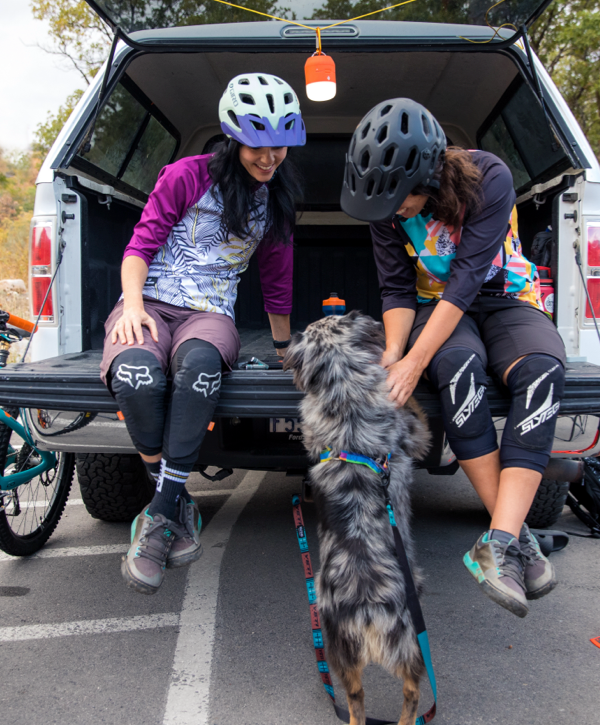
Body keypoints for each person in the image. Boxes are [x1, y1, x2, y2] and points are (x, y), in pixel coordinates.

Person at [340, 97, 566, 618]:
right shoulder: (386, 210)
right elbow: (396, 290)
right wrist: (395, 355)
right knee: (460, 370)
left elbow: (465, 284)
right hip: (434, 308)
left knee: (541, 372)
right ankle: (515, 541)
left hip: (504, 297)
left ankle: (498, 541)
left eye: (400, 201)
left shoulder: (490, 177)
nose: (394, 214)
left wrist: (416, 361)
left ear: (427, 178)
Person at [100, 72, 305, 594]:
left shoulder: (276, 199)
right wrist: (130, 305)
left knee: (196, 372)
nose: (270, 157)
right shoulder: (186, 176)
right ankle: (174, 501)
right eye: (259, 145)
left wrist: (284, 348)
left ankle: (159, 516)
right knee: (137, 377)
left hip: (210, 314)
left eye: (280, 145)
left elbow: (275, 281)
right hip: (147, 303)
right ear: (235, 135)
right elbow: (140, 245)